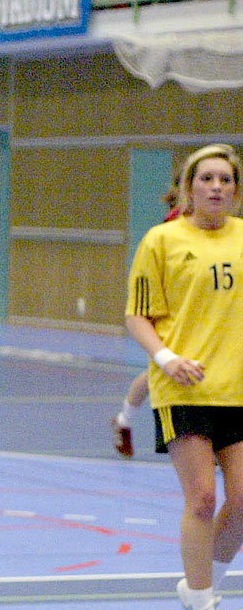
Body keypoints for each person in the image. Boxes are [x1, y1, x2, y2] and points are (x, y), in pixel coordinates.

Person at [124, 142, 243, 610]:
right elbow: (137, 316)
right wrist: (165, 358)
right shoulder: (163, 241)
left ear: (235, 191)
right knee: (201, 498)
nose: (216, 187)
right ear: (189, 187)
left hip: (237, 388)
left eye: (226, 179)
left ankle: (199, 588)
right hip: (186, 391)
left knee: (241, 505)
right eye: (207, 178)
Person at [113, 180, 182, 457]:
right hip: (170, 313)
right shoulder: (171, 229)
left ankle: (123, 420)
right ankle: (124, 421)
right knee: (161, 370)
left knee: (158, 373)